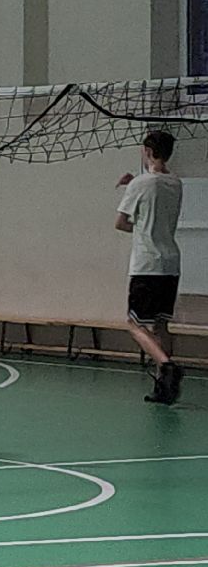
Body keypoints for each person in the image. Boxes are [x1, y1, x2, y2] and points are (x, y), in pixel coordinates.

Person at [116, 130, 185, 404]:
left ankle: (168, 367)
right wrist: (136, 183)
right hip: (171, 263)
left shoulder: (140, 186)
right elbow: (156, 190)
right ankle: (163, 387)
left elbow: (120, 223)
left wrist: (133, 187)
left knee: (134, 324)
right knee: (160, 325)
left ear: (147, 150)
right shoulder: (176, 183)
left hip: (147, 264)